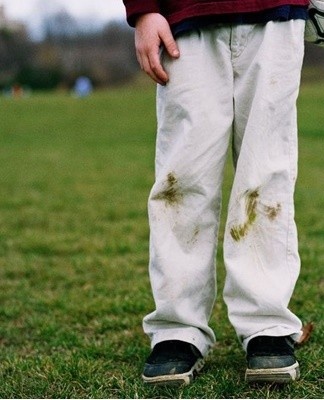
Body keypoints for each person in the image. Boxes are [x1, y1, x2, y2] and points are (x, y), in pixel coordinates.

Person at [122, 0, 309, 385]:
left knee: (265, 173)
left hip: (276, 12)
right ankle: (178, 327)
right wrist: (142, 9)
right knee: (182, 178)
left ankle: (266, 324)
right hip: (184, 16)